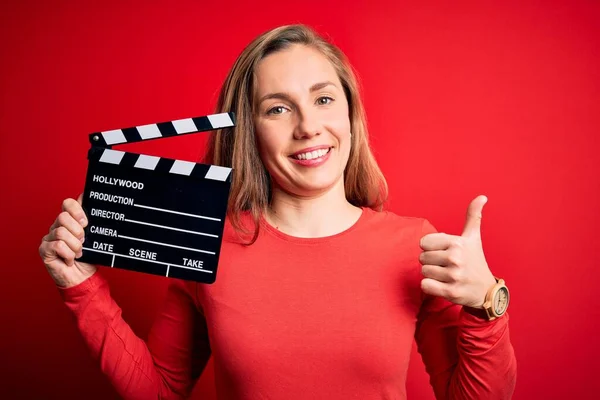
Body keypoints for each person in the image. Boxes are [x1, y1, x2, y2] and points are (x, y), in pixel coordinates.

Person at [38, 24, 517, 399]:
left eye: (324, 99)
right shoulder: (210, 242)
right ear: (250, 129)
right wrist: (82, 288)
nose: (308, 126)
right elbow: (161, 390)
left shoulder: (413, 245)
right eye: (278, 109)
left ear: (349, 114)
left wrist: (486, 305)